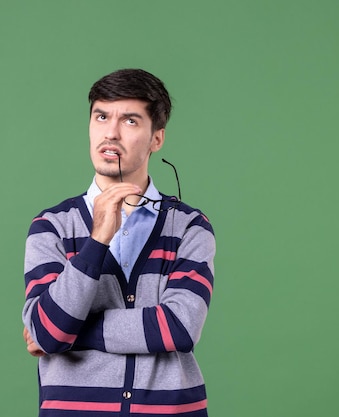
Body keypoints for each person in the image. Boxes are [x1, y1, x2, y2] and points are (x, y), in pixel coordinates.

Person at [22, 68, 216, 417]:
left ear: (157, 139)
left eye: (129, 120)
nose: (110, 132)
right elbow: (48, 332)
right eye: (101, 116)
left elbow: (179, 328)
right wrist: (97, 240)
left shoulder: (189, 226)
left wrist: (71, 332)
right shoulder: (51, 226)